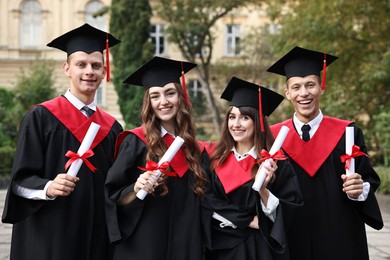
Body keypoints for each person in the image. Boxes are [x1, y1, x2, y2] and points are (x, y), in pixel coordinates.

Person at [1, 23, 123, 260]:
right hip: (51, 237)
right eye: (81, 65)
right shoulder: (40, 117)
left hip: (97, 238)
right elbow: (19, 182)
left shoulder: (112, 127)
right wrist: (47, 187)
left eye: (96, 66)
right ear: (67, 69)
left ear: (103, 71)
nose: (89, 71)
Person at [267, 46, 383, 260]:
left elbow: (368, 178)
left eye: (310, 85)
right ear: (287, 93)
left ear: (321, 87)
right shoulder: (273, 138)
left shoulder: (348, 132)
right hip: (292, 237)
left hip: (339, 235)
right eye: (296, 87)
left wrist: (359, 189)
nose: (304, 93)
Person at [105, 56, 207, 260]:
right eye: (155, 96)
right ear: (148, 103)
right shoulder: (135, 142)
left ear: (180, 96)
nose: (164, 102)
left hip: (185, 246)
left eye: (170, 93)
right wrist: (135, 188)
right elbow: (112, 196)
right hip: (143, 246)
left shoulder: (195, 150)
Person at [202, 76, 303, 260]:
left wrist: (264, 190)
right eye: (232, 117)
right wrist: (247, 220)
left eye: (245, 117)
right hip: (222, 249)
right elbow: (206, 199)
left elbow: (289, 213)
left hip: (262, 249)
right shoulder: (213, 158)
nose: (236, 124)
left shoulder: (277, 164)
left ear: (257, 122)